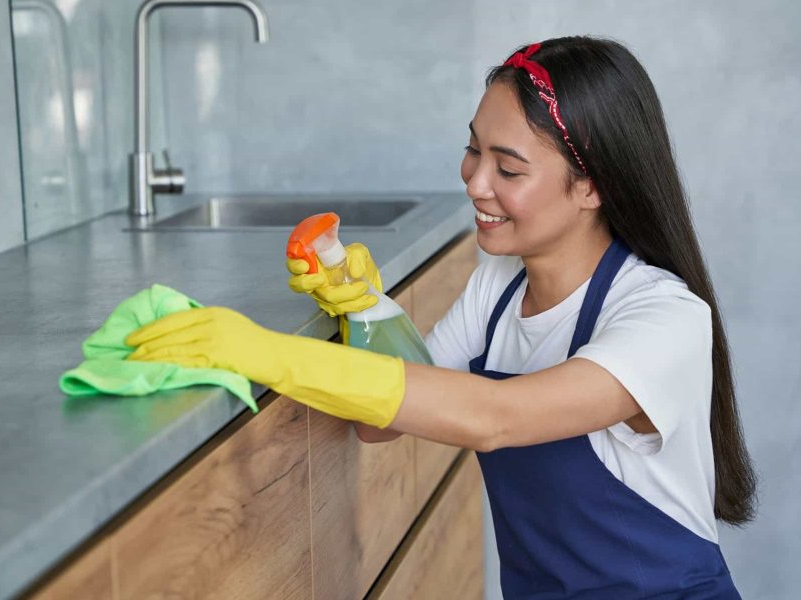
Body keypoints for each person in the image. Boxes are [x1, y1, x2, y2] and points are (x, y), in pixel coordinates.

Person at [125, 36, 756, 598]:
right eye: (472, 150)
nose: (476, 182)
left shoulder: (665, 318)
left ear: (593, 186)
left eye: (508, 168)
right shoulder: (499, 290)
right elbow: (384, 425)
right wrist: (366, 309)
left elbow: (494, 418)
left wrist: (264, 351)